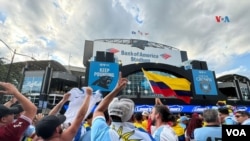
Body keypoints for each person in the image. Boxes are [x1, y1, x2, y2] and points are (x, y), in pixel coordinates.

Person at [91, 72, 154, 141]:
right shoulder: (146, 137)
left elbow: (99, 110)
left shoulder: (100, 133)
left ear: (110, 117)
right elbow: (99, 110)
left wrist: (116, 89)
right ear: (133, 117)